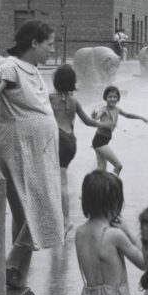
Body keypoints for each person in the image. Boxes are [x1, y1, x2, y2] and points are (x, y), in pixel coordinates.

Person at [0, 20, 62, 295]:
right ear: (33, 43)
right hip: (19, 148)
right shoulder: (9, 67)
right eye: (49, 43)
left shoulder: (33, 69)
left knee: (33, 210)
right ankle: (12, 266)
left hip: (40, 151)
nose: (52, 48)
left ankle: (18, 282)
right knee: (36, 208)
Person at [50, 65, 112, 234]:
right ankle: (61, 219)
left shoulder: (50, 98)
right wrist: (103, 124)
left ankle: (65, 221)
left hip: (58, 140)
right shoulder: (74, 101)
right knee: (59, 180)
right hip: (71, 142)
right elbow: (87, 121)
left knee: (59, 182)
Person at [91, 86, 148, 175]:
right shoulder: (104, 109)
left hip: (103, 140)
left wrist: (142, 118)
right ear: (105, 98)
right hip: (100, 141)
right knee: (118, 166)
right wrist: (94, 115)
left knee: (101, 170)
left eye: (115, 97)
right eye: (110, 97)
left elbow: (128, 115)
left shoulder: (117, 109)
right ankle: (113, 186)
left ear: (118, 98)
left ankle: (93, 184)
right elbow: (96, 117)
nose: (113, 99)